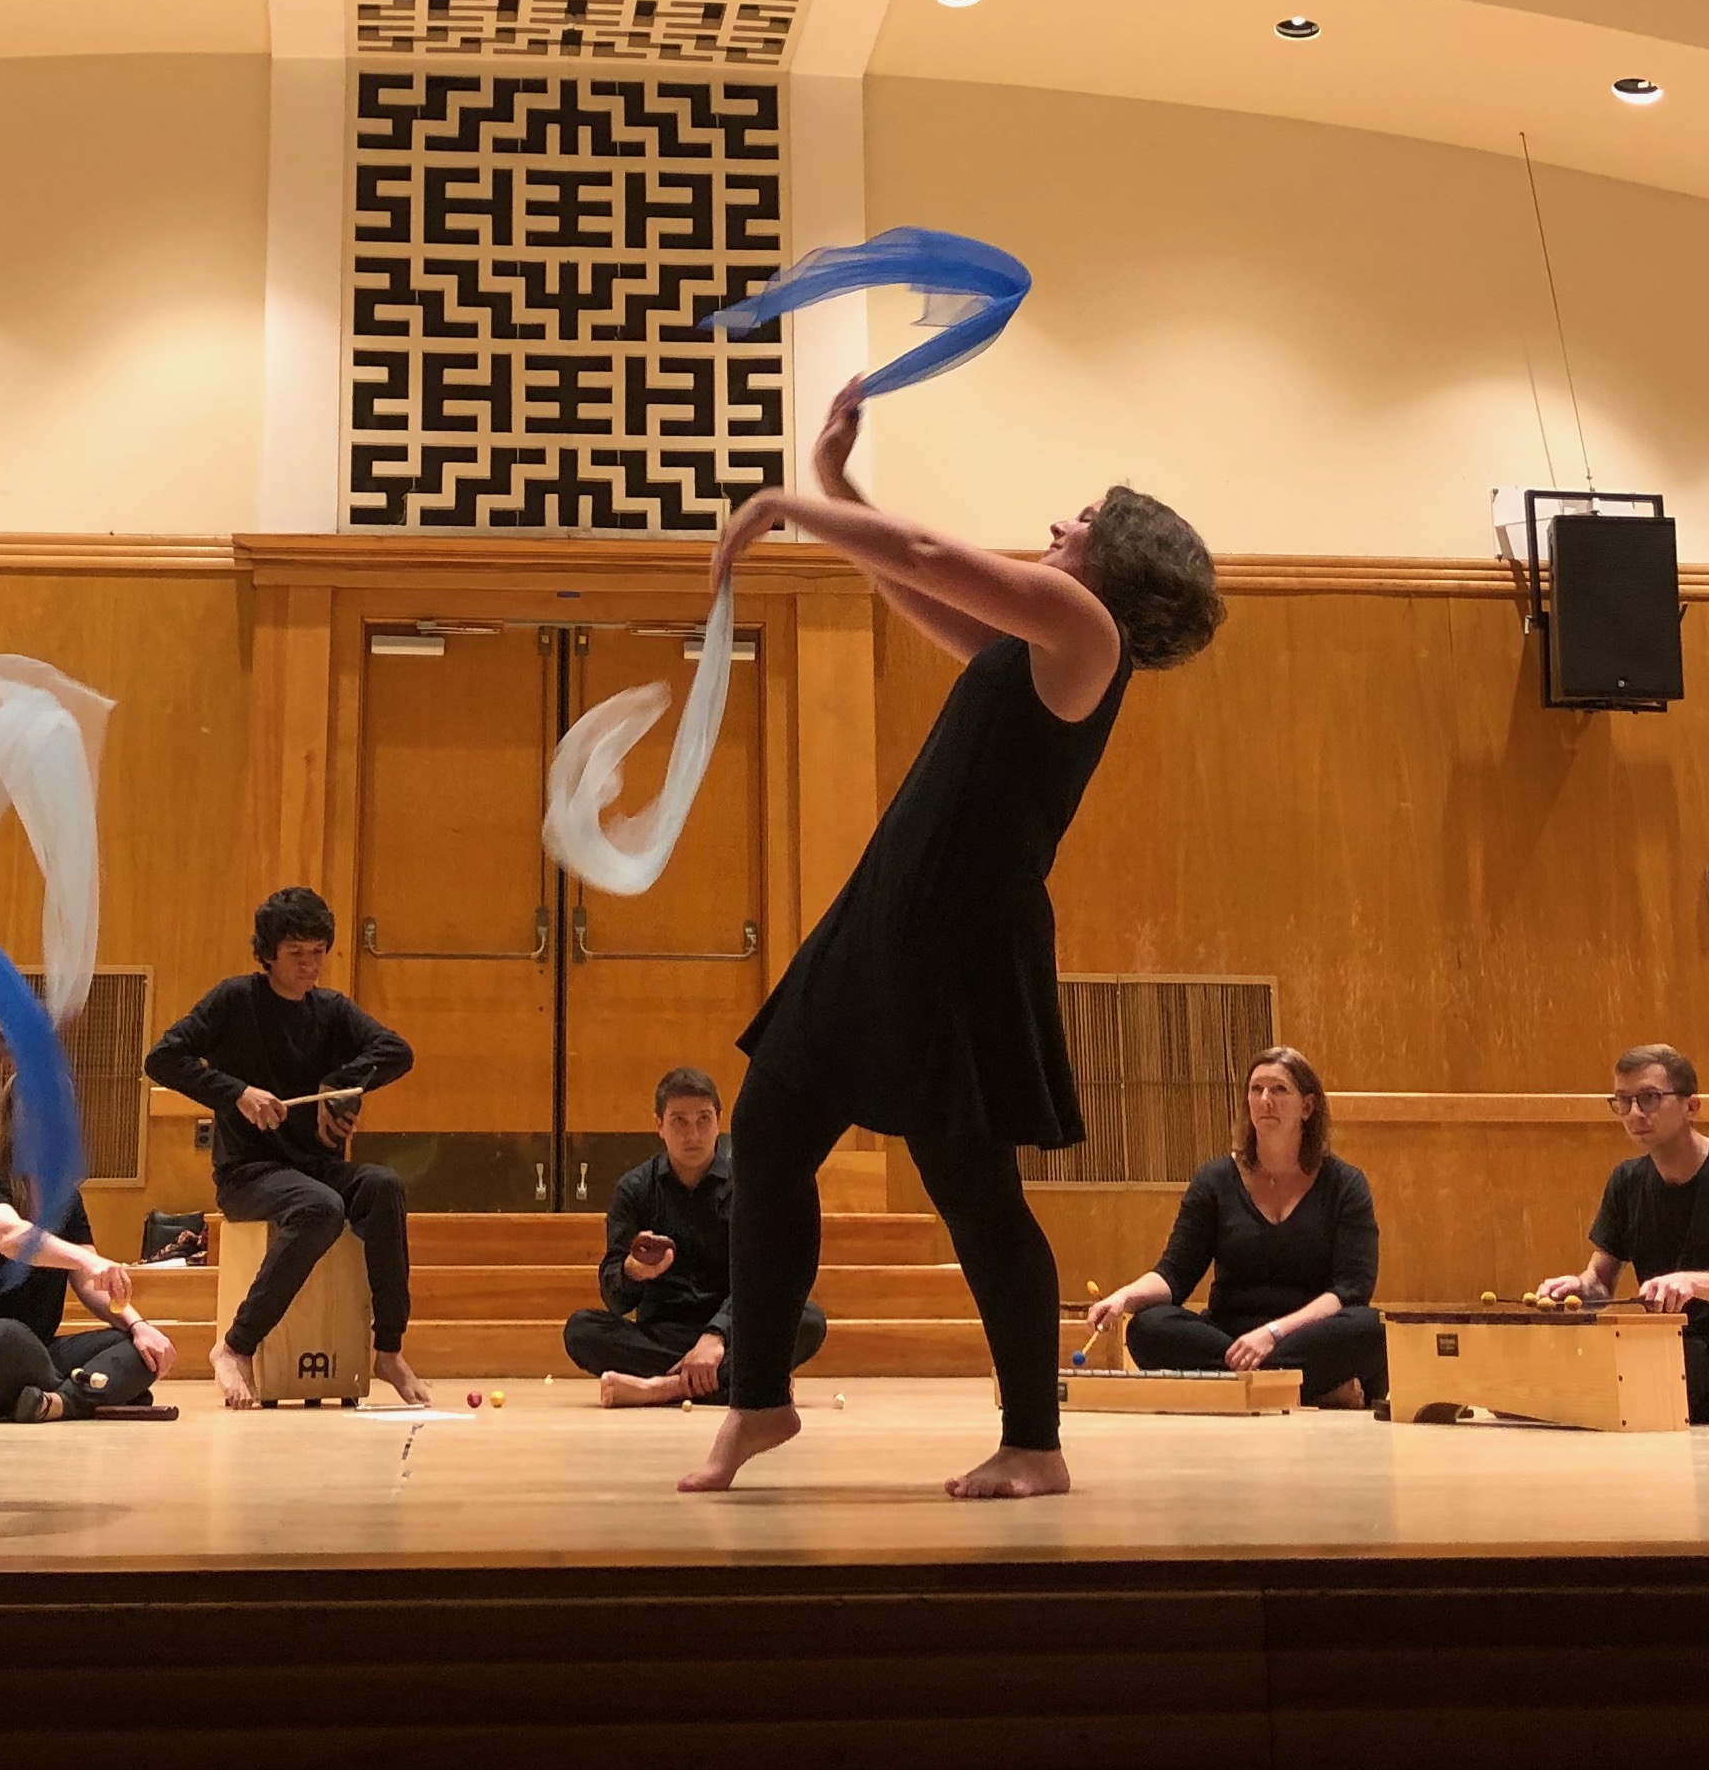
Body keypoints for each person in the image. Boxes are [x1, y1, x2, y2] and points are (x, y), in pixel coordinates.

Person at [688, 374, 1225, 1503]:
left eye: (1081, 518)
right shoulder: (1038, 640)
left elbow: (930, 550)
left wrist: (788, 503)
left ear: (1117, 557)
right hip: (888, 914)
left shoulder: (1088, 630)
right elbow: (916, 586)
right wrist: (835, 484)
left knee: (972, 1191)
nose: (1058, 525)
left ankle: (1035, 1439)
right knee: (773, 1131)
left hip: (963, 943)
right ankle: (759, 1400)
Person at [146, 889, 425, 1407]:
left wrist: (338, 1084)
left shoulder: (332, 1010)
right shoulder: (235, 1001)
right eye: (298, 953)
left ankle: (387, 1348)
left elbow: (396, 1052)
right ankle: (235, 1347)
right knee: (320, 1207)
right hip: (248, 1174)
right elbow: (162, 1058)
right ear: (269, 952)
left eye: (319, 952)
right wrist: (237, 1093)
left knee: (383, 1187)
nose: (311, 965)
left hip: (316, 1167)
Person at [1078, 1046, 1383, 1409]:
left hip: (1306, 1335)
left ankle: (1239, 1387)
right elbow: (1174, 1275)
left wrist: (1272, 1334)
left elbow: (1350, 1290)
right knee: (1148, 1327)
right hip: (1229, 1338)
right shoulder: (1215, 1180)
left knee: (1368, 1328)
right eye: (1256, 1089)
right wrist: (1124, 1297)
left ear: (1307, 1107)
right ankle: (1307, 1389)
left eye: (1279, 1089)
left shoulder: (1345, 1184)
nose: (1265, 1099)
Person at [1528, 1044, 1709, 1425]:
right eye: (1623, 1101)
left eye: (1649, 1098)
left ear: (1692, 1105)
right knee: (1540, 1373)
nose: (1634, 1114)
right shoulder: (1626, 1180)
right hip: (1659, 1347)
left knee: (1602, 1382)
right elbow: (1600, 1283)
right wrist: (1580, 1287)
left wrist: (1691, 1282)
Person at [0, 1084, 175, 1423]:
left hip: (28, 1356)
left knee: (137, 1348)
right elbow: (11, 1236)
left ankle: (58, 1403)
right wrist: (87, 1258)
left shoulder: (65, 1200)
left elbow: (88, 1285)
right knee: (6, 1335)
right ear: (13, 1119)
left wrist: (138, 1324)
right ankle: (91, 1394)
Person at [567, 1065, 824, 1406]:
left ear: (719, 1120)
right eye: (679, 1121)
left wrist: (715, 1335)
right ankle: (730, 1385)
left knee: (809, 1319)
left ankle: (662, 1389)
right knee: (581, 1330)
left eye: (703, 1119)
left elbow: (760, 1277)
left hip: (731, 1334)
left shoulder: (747, 1187)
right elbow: (615, 1300)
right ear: (658, 1124)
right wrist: (633, 1272)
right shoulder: (635, 1189)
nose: (693, 1133)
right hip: (661, 1333)